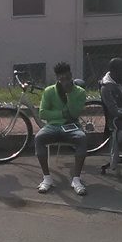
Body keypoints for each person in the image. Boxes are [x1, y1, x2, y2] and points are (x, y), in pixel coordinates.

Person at [34, 62, 88, 196]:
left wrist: (69, 95)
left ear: (71, 75)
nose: (65, 80)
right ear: (58, 78)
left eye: (68, 77)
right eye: (62, 78)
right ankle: (47, 178)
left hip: (72, 126)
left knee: (82, 138)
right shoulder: (49, 91)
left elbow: (75, 114)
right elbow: (42, 113)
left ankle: (76, 179)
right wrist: (61, 114)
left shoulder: (80, 92)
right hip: (53, 126)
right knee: (39, 138)